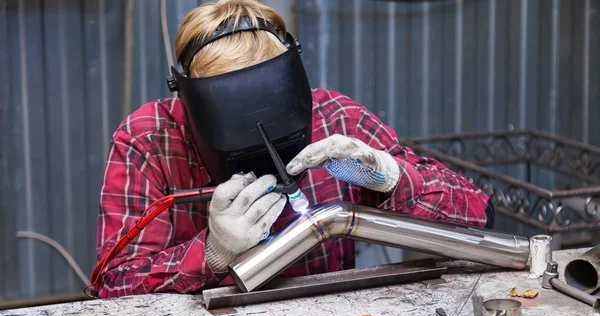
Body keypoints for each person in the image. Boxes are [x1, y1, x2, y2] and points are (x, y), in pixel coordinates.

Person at [94, 0, 494, 299]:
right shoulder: (150, 139)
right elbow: (112, 288)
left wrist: (389, 177)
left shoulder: (337, 120)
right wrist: (212, 254)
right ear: (190, 101)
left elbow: (478, 216)